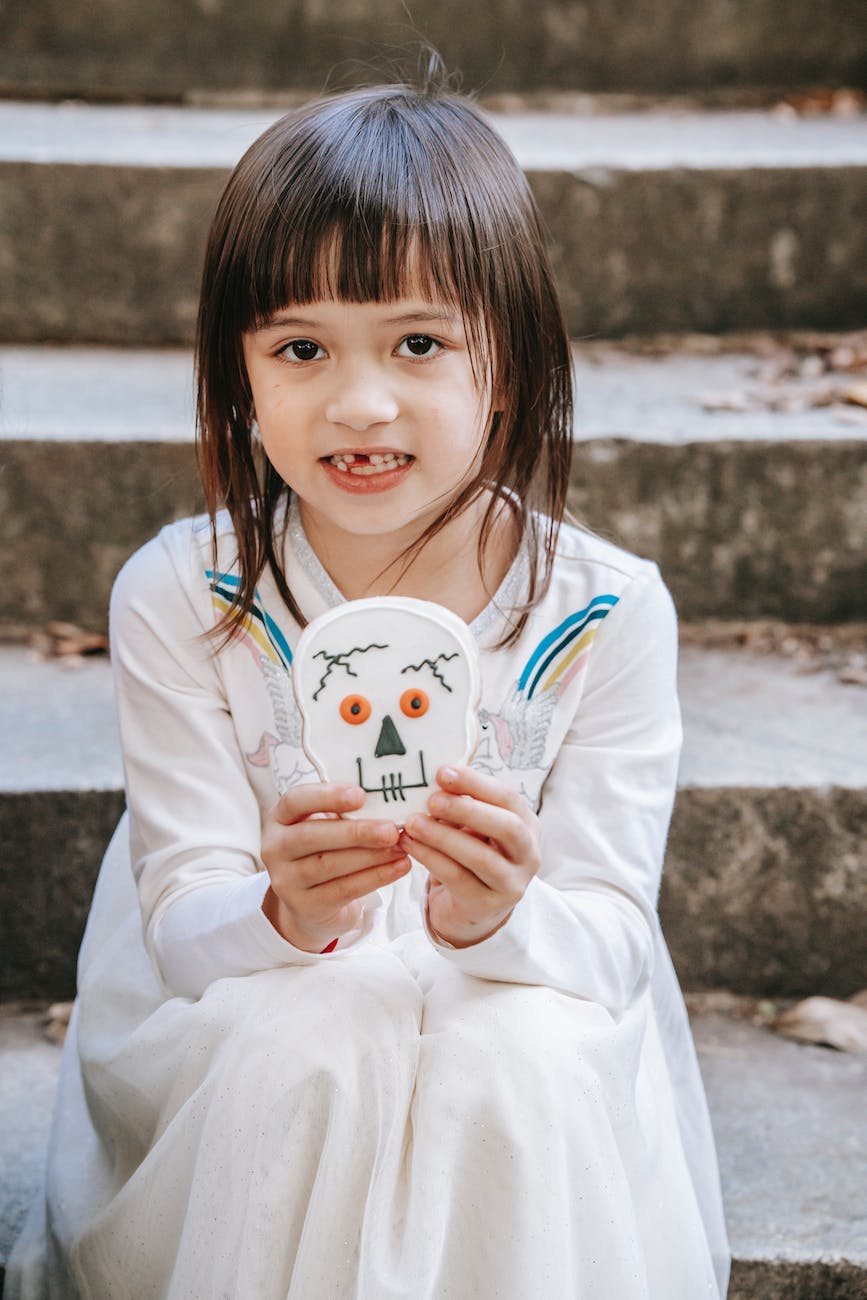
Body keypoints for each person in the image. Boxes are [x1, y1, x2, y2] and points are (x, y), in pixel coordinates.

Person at [7, 69, 730, 1299]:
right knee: (311, 1041)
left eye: (419, 342)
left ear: (505, 368)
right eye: (300, 346)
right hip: (251, 993)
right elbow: (185, 915)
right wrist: (282, 911)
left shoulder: (604, 613)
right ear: (242, 374)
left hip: (518, 987)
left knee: (524, 1063)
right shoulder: (187, 593)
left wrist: (500, 911)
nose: (359, 401)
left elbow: (607, 941)